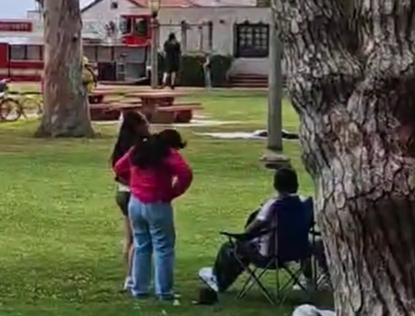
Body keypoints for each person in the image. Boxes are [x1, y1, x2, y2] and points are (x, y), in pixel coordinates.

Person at [197, 167, 325, 301]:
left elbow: (251, 229)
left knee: (230, 248)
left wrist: (244, 234)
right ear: (297, 185)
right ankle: (308, 280)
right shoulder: (305, 204)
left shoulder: (274, 205)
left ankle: (218, 280)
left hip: (270, 256)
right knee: (244, 250)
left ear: (276, 186)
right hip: (297, 252)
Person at [113, 129, 194, 300]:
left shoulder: (137, 149)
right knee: (163, 247)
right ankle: (164, 291)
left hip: (135, 202)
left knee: (141, 244)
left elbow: (119, 167)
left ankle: (139, 288)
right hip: (157, 202)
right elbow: (185, 173)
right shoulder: (167, 153)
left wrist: (134, 180)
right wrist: (173, 192)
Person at [110, 111, 152, 292]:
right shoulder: (139, 148)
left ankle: (129, 276)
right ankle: (134, 277)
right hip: (134, 193)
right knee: (140, 239)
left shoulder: (120, 146)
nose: (148, 125)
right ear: (137, 126)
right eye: (144, 122)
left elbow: (117, 168)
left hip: (122, 192)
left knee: (130, 238)